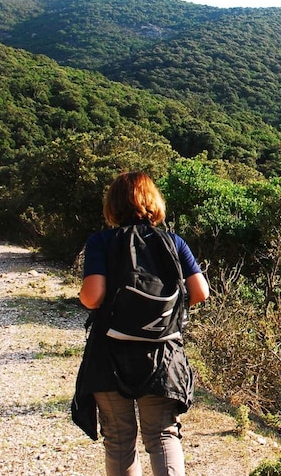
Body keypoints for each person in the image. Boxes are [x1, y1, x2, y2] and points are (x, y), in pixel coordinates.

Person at [74, 171, 209, 476]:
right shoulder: (173, 241)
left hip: (110, 353)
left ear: (113, 205)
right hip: (163, 353)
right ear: (154, 203)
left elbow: (92, 297)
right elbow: (201, 292)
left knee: (120, 439)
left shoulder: (102, 242)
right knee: (162, 435)